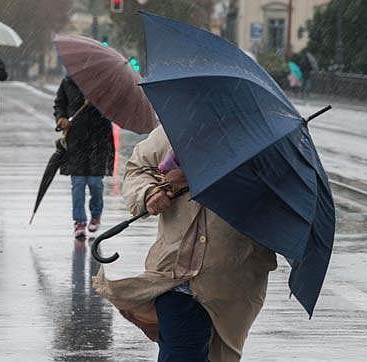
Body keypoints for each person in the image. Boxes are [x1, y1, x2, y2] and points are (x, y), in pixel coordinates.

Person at [93, 126, 277, 361]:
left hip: (233, 281)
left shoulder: (263, 141)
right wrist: (149, 192)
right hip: (174, 276)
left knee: (217, 356)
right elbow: (137, 169)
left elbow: (278, 206)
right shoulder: (177, 129)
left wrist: (227, 176)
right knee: (181, 353)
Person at [53, 76, 114, 239]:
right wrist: (61, 118)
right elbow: (60, 104)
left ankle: (96, 214)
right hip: (76, 141)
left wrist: (96, 102)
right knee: (78, 183)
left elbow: (113, 107)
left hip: (98, 141)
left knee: (95, 183)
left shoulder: (102, 83)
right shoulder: (68, 82)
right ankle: (79, 222)